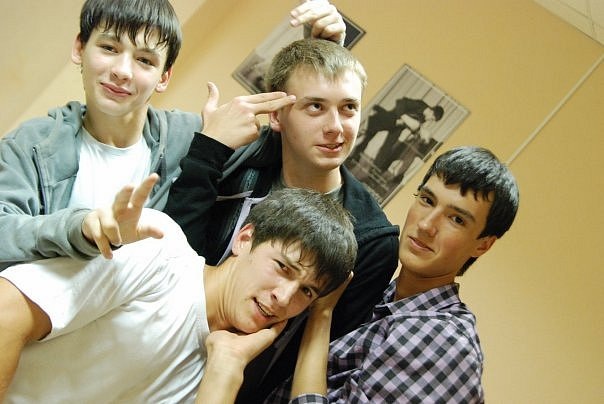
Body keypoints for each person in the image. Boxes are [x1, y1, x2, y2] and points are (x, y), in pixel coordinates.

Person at [0, 0, 347, 270]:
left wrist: (323, 56)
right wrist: (78, 228)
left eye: (145, 60)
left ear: (164, 77)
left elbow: (291, 143)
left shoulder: (188, 138)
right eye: (109, 48)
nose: (122, 71)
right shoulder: (35, 144)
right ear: (80, 48)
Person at [164, 38, 401, 401]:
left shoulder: (371, 238)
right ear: (276, 115)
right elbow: (170, 255)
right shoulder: (238, 160)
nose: (336, 127)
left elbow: (310, 355)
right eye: (316, 107)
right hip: (160, 335)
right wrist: (209, 151)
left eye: (349, 108)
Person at [194, 146, 520, 403]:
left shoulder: (445, 342)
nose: (426, 225)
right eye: (426, 200)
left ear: (483, 244)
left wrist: (322, 316)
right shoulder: (384, 298)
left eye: (456, 219)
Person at [0, 175, 358, 403]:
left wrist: (226, 367)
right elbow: (6, 311)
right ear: (245, 239)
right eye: (282, 267)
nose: (284, 297)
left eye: (306, 292)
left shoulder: (226, 361)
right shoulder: (159, 248)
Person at [349, 96, 444, 166]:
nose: (430, 120)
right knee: (368, 134)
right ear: (431, 111)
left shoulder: (424, 118)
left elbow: (413, 126)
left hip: (398, 128)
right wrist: (402, 116)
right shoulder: (419, 104)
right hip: (390, 119)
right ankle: (355, 155)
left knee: (388, 147)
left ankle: (375, 167)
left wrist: (419, 133)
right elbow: (400, 102)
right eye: (432, 118)